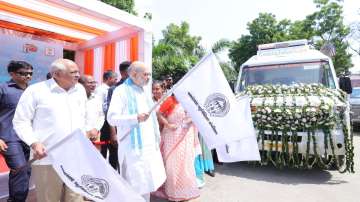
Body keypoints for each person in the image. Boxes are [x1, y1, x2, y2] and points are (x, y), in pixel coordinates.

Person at [13, 58, 87, 202]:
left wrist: (91, 129)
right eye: (73, 72)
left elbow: (84, 116)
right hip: (47, 158)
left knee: (76, 198)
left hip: (76, 157)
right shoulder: (36, 91)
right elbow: (20, 121)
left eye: (78, 71)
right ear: (56, 74)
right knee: (49, 198)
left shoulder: (80, 90)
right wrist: (34, 143)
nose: (78, 75)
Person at [107, 61, 166, 202]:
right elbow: (111, 118)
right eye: (145, 74)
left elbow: (151, 118)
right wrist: (135, 118)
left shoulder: (143, 91)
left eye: (149, 75)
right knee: (133, 188)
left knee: (146, 186)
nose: (148, 78)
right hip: (132, 150)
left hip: (148, 148)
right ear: (133, 74)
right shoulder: (120, 91)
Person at [155, 95, 200, 201]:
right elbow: (159, 114)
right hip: (172, 135)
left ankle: (186, 189)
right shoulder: (170, 100)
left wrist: (190, 121)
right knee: (172, 163)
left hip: (187, 136)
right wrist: (168, 125)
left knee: (186, 163)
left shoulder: (190, 100)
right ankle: (173, 191)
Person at [0, 61, 33, 202]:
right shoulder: (3, 89)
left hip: (29, 138)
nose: (27, 76)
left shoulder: (33, 91)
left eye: (30, 73)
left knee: (26, 171)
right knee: (20, 168)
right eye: (23, 73)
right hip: (9, 137)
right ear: (11, 74)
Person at [100, 61, 131, 170]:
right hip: (118, 130)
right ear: (124, 73)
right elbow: (110, 113)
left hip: (131, 130)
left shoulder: (136, 87)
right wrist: (113, 133)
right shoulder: (114, 89)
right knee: (115, 158)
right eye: (131, 71)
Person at [78, 75, 105, 149]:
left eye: (94, 82)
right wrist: (86, 131)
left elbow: (101, 116)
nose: (93, 85)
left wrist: (96, 129)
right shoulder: (75, 99)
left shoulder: (97, 98)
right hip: (80, 135)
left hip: (95, 135)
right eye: (90, 83)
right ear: (80, 84)